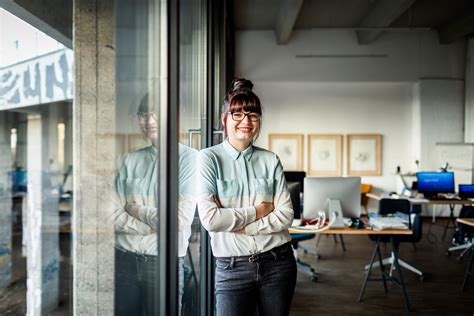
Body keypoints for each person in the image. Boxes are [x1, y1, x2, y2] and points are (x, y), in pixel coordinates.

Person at [197, 79, 297, 315]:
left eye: (252, 115)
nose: (246, 121)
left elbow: (286, 216)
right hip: (232, 267)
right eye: (238, 114)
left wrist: (241, 226)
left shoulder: (270, 160)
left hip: (278, 263)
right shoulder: (208, 159)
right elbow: (211, 220)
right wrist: (260, 210)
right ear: (224, 120)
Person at [109, 93, 196, 315]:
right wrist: (148, 227)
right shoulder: (130, 160)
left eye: (155, 114)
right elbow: (110, 213)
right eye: (143, 115)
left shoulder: (189, 159)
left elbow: (178, 220)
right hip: (124, 261)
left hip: (163, 265)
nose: (149, 121)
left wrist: (135, 209)